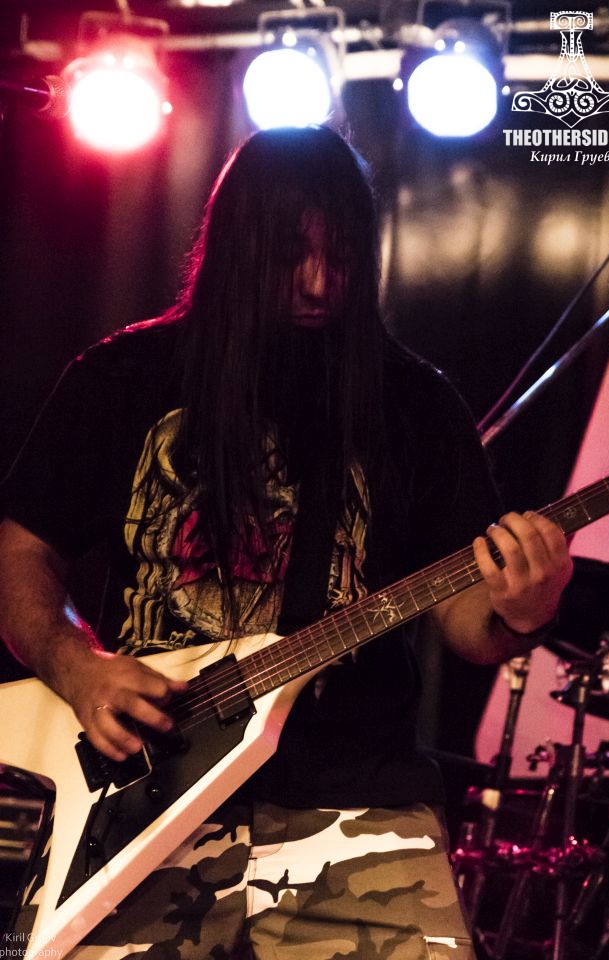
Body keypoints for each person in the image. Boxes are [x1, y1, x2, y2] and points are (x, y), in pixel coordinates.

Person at [0, 125, 572, 960]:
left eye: (342, 257)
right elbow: (21, 550)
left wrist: (524, 607)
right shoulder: (122, 379)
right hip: (145, 798)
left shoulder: (415, 404)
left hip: (358, 800)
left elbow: (467, 620)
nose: (319, 282)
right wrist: (78, 665)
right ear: (236, 246)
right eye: (289, 255)